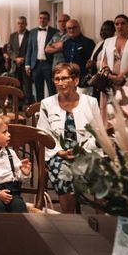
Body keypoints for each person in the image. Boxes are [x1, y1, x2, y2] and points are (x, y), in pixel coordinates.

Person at [37, 63, 100, 213]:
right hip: (58, 154)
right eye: (56, 79)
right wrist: (59, 151)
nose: (60, 83)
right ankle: (69, 220)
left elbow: (98, 133)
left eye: (64, 78)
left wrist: (82, 149)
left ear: (75, 81)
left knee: (102, 172)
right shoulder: (47, 104)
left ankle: (101, 220)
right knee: (63, 174)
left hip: (86, 152)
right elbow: (43, 133)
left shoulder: (90, 102)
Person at [101, 14, 128, 89]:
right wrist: (110, 75)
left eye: (123, 23)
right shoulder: (108, 41)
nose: (120, 26)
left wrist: (122, 75)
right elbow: (104, 61)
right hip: (110, 82)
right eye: (117, 24)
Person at [25, 11, 58, 101]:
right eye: (40, 18)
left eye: (44, 18)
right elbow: (29, 49)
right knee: (38, 89)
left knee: (51, 88)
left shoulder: (55, 32)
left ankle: (53, 108)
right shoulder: (32, 32)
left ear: (48, 20)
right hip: (36, 64)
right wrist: (27, 65)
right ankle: (39, 110)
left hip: (49, 64)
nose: (42, 20)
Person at [6, 16, 33, 106]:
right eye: (19, 23)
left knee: (27, 84)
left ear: (26, 24)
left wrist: (23, 58)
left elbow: (32, 49)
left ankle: (28, 104)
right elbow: (9, 49)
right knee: (16, 84)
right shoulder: (12, 35)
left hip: (26, 63)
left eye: (22, 23)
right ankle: (17, 104)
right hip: (15, 64)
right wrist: (15, 58)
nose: (20, 25)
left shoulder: (31, 34)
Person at [62, 19, 95, 91]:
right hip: (69, 79)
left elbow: (92, 62)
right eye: (69, 28)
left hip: (83, 80)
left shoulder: (88, 42)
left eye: (74, 27)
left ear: (79, 28)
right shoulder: (66, 43)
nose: (71, 30)